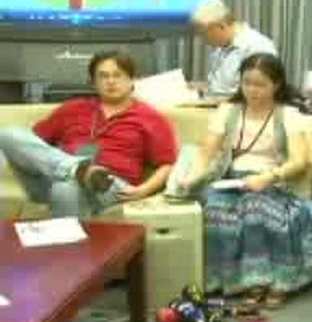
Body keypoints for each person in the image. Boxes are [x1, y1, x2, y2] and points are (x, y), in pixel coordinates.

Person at [176, 53, 312, 308]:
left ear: (276, 84)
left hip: (272, 181)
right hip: (230, 180)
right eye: (247, 83)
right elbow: (206, 152)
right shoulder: (228, 111)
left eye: (260, 84)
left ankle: (278, 282)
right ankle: (244, 282)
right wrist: (193, 177)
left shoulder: (288, 115)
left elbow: (299, 160)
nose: (252, 90)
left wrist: (269, 177)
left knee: (256, 209)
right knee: (214, 210)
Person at [0, 51, 178, 218]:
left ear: (132, 81)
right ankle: (75, 169)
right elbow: (32, 146)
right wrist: (65, 166)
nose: (111, 81)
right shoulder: (73, 108)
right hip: (52, 179)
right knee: (8, 134)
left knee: (65, 188)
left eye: (117, 75)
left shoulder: (150, 118)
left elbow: (167, 164)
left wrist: (144, 189)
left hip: (107, 184)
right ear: (93, 83)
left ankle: (70, 239)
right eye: (103, 76)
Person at [190, 0, 278, 98]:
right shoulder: (221, 48)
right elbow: (221, 88)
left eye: (204, 33)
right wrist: (195, 87)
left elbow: (260, 94)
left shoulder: (258, 47)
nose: (204, 40)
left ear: (220, 26)